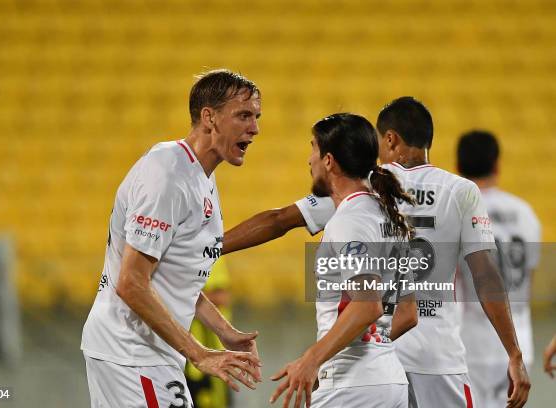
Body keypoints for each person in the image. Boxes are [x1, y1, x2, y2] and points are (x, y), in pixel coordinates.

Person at [224, 97, 530, 408]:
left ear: (390, 139)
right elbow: (485, 276)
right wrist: (514, 353)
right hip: (438, 360)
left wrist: (212, 248)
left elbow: (278, 220)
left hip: (371, 355)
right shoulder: (460, 191)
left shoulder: (363, 185)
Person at [81, 69, 262, 408]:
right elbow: (132, 283)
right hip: (132, 353)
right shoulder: (167, 174)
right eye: (243, 115)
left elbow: (176, 278)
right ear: (209, 117)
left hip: (149, 353)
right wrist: (200, 354)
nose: (255, 128)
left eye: (256, 117)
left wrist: (224, 332)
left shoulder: (200, 177)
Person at [269, 113, 418, 408]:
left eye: (313, 148)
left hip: (352, 385)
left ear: (328, 160)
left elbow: (367, 304)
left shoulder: (349, 220)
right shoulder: (388, 216)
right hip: (389, 380)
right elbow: (408, 313)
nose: (309, 160)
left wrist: (312, 359)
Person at [456, 130, 541, 407]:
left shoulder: (460, 211)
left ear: (457, 167)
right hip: (519, 341)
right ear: (497, 164)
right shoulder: (525, 212)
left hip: (474, 341)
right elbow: (529, 273)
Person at [185, 258, 233, 407]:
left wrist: (185, 296)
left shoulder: (213, 254)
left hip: (215, 352)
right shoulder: (176, 256)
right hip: (185, 353)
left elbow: (222, 297)